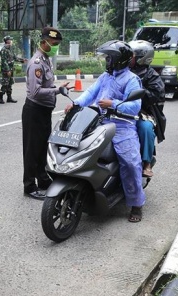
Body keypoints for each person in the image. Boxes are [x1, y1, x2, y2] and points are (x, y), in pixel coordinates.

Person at [65, 40, 146, 223]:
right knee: (80, 148)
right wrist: (75, 104)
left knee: (130, 163)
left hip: (122, 126)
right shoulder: (105, 76)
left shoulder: (131, 79)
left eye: (110, 58)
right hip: (100, 122)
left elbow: (135, 106)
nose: (107, 61)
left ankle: (136, 203)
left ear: (119, 59)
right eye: (107, 58)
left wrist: (114, 104)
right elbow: (90, 93)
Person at [22, 26, 70, 200]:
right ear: (44, 42)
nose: (56, 46)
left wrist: (57, 90)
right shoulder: (36, 63)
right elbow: (35, 92)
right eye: (54, 43)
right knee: (31, 150)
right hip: (34, 110)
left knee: (43, 147)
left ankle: (42, 179)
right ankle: (29, 185)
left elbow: (47, 85)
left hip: (44, 111)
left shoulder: (46, 60)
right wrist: (56, 90)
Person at [128, 40, 166, 178]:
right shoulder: (122, 70)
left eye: (131, 55)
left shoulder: (151, 75)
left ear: (141, 57)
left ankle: (146, 163)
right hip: (119, 110)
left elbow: (157, 95)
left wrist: (140, 91)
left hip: (142, 113)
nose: (128, 57)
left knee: (146, 128)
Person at [0, 35, 26, 104]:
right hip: (6, 70)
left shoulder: (10, 49)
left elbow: (14, 57)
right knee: (5, 83)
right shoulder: (3, 50)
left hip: (11, 69)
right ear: (7, 41)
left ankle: (9, 98)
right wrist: (7, 70)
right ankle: (0, 98)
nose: (11, 41)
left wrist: (22, 60)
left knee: (10, 83)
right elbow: (4, 61)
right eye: (10, 40)